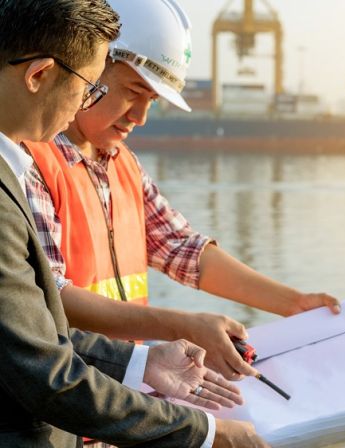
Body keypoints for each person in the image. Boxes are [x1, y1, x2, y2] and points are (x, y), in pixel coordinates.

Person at [23, 0, 341, 381]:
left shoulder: (122, 164)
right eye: (133, 91)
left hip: (124, 396)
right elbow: (50, 295)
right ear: (91, 64)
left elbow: (182, 248)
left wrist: (293, 304)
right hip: (65, 401)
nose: (140, 117)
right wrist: (183, 327)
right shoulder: (30, 161)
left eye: (151, 101)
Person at [0, 0, 268, 446]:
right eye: (92, 86)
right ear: (39, 75)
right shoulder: (28, 167)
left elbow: (29, 331)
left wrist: (141, 364)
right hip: (81, 417)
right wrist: (204, 433)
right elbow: (43, 367)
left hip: (112, 409)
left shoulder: (105, 165)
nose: (138, 117)